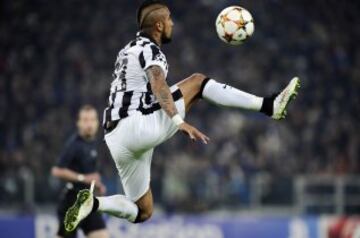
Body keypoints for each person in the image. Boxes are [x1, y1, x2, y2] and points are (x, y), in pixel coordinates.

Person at [64, 0, 300, 231]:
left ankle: (94, 203)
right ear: (158, 26)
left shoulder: (126, 51)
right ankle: (269, 106)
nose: (172, 24)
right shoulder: (149, 49)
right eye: (169, 19)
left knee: (143, 210)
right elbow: (158, 83)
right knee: (197, 82)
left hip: (115, 137)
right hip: (137, 125)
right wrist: (179, 121)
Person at [52, 105, 109, 238]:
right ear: (78, 123)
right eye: (85, 120)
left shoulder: (93, 143)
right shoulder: (74, 144)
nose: (89, 124)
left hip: (88, 201)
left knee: (102, 235)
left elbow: (91, 174)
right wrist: (83, 178)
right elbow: (57, 171)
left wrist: (98, 185)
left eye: (92, 120)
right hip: (72, 202)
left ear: (97, 123)